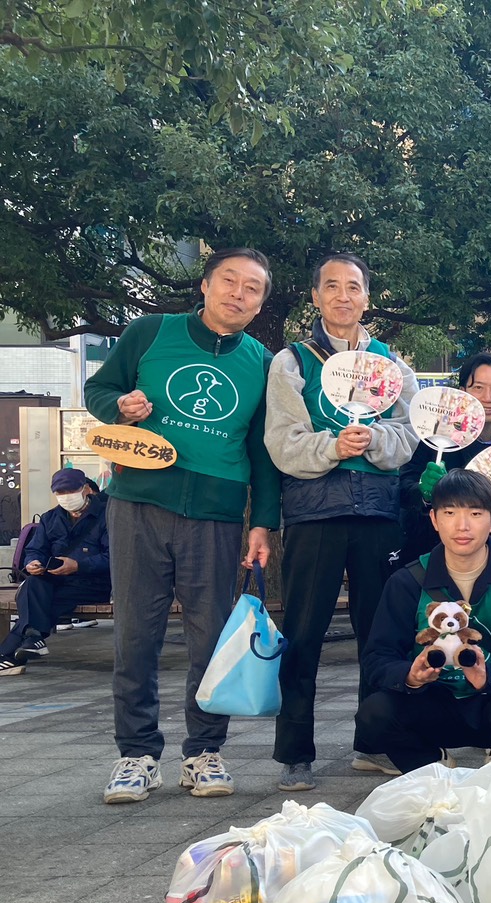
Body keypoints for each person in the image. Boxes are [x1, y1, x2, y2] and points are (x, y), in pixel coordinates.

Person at [84, 247, 280, 805]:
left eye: (252, 288)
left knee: (210, 638)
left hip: (217, 515)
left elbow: (262, 452)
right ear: (205, 285)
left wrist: (263, 523)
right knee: (135, 634)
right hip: (138, 503)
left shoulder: (263, 362)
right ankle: (136, 755)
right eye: (229, 281)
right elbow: (98, 390)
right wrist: (120, 405)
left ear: (260, 304)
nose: (238, 293)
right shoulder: (150, 332)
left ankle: (204, 753)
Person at [264, 253, 421, 791]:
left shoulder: (391, 366)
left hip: (378, 512)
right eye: (331, 286)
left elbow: (410, 434)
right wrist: (333, 445)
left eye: (353, 287)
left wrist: (373, 439)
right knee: (303, 633)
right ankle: (294, 753)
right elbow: (282, 441)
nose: (342, 296)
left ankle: (374, 743)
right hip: (315, 513)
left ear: (366, 298)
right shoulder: (292, 362)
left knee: (380, 634)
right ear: (315, 296)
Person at [355, 470, 491, 772]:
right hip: (429, 702)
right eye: (449, 513)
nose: (462, 526)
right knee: (373, 713)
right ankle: (431, 765)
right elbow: (377, 657)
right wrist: (410, 676)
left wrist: (490, 677)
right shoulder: (407, 581)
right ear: (434, 520)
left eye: (475, 513)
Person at [400, 351, 491, 562]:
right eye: (478, 388)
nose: (488, 398)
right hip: (437, 554)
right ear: (463, 392)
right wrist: (425, 493)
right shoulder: (436, 437)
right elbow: (403, 488)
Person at [0, 469, 110, 675]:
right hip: (56, 578)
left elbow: (115, 557)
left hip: (94, 583)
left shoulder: (108, 515)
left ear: (86, 489)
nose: (66, 496)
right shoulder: (50, 518)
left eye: (71, 490)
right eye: (60, 492)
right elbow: (35, 549)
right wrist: (33, 563)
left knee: (39, 601)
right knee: (33, 584)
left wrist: (78, 565)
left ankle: (11, 651)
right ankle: (31, 639)